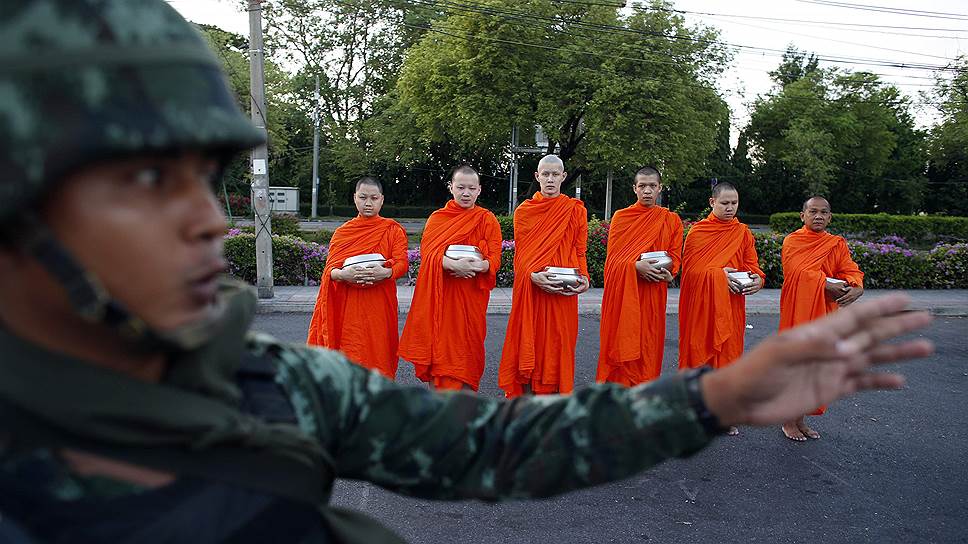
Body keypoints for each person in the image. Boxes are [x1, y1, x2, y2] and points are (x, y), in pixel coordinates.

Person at [0, 2, 935, 543]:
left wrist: (713, 397)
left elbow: (494, 446)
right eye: (151, 178)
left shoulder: (269, 386)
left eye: (211, 178)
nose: (212, 218)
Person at [398, 165, 502, 391]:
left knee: (469, 352)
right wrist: (452, 264)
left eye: (471, 188)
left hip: (471, 300)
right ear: (451, 188)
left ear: (479, 190)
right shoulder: (438, 218)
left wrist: (480, 265)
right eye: (461, 187)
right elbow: (428, 254)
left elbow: (495, 258)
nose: (466, 193)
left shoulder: (487, 219)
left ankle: (465, 412)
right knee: (441, 354)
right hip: (442, 300)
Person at [498, 155, 590, 398]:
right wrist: (531, 275)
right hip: (533, 293)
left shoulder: (574, 211)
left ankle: (554, 411)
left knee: (559, 347)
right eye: (545, 174)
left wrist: (585, 278)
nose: (550, 179)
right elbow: (522, 255)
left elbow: (580, 250)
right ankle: (528, 410)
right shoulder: (524, 212)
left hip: (564, 292)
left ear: (563, 176)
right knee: (531, 345)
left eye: (555, 174)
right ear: (537, 177)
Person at [678, 182, 765, 434]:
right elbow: (691, 273)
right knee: (699, 355)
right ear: (711, 203)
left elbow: (752, 265)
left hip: (731, 305)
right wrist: (717, 276)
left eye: (734, 203)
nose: (730, 208)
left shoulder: (743, 233)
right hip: (701, 308)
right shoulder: (698, 232)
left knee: (728, 356)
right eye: (724, 203)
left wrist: (758, 279)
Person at [779, 196, 865, 441]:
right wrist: (825, 284)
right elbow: (797, 272)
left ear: (830, 216)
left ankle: (800, 418)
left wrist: (857, 285)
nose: (818, 216)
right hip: (798, 312)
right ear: (802, 215)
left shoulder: (835, 244)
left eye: (823, 212)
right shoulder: (793, 241)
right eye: (813, 211)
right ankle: (788, 420)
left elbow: (848, 268)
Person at [306, 177, 408, 379]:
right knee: (349, 352)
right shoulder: (343, 233)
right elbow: (330, 271)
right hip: (348, 307)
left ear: (381, 200)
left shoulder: (392, 230)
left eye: (373, 198)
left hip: (379, 305)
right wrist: (343, 274)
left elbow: (402, 263)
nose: (368, 203)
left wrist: (386, 272)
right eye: (363, 197)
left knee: (379, 355)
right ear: (355, 198)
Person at [596, 166, 683, 386]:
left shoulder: (670, 220)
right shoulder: (622, 217)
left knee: (648, 349)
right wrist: (635, 266)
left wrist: (668, 272)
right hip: (625, 300)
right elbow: (612, 262)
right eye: (642, 186)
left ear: (660, 188)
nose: (647, 191)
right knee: (621, 349)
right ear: (634, 188)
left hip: (653, 297)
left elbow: (675, 257)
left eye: (652, 186)